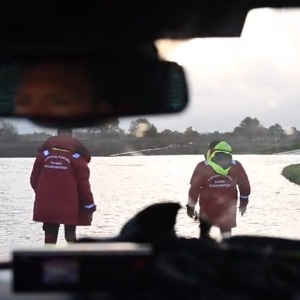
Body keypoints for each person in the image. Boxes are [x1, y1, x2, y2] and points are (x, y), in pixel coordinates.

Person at [30, 128, 97, 244]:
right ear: (72, 135)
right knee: (70, 237)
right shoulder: (77, 158)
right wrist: (90, 207)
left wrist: (44, 194)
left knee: (49, 238)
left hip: (47, 204)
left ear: (57, 134)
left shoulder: (43, 156)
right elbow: (84, 186)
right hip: (71, 205)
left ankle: (47, 260)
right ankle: (73, 260)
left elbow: (33, 180)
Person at [186, 140, 251, 239]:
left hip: (207, 209)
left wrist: (190, 206)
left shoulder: (202, 166)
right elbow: (245, 186)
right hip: (228, 208)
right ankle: (226, 252)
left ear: (211, 151)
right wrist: (244, 202)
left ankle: (204, 251)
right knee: (226, 236)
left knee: (204, 234)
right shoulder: (236, 165)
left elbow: (194, 188)